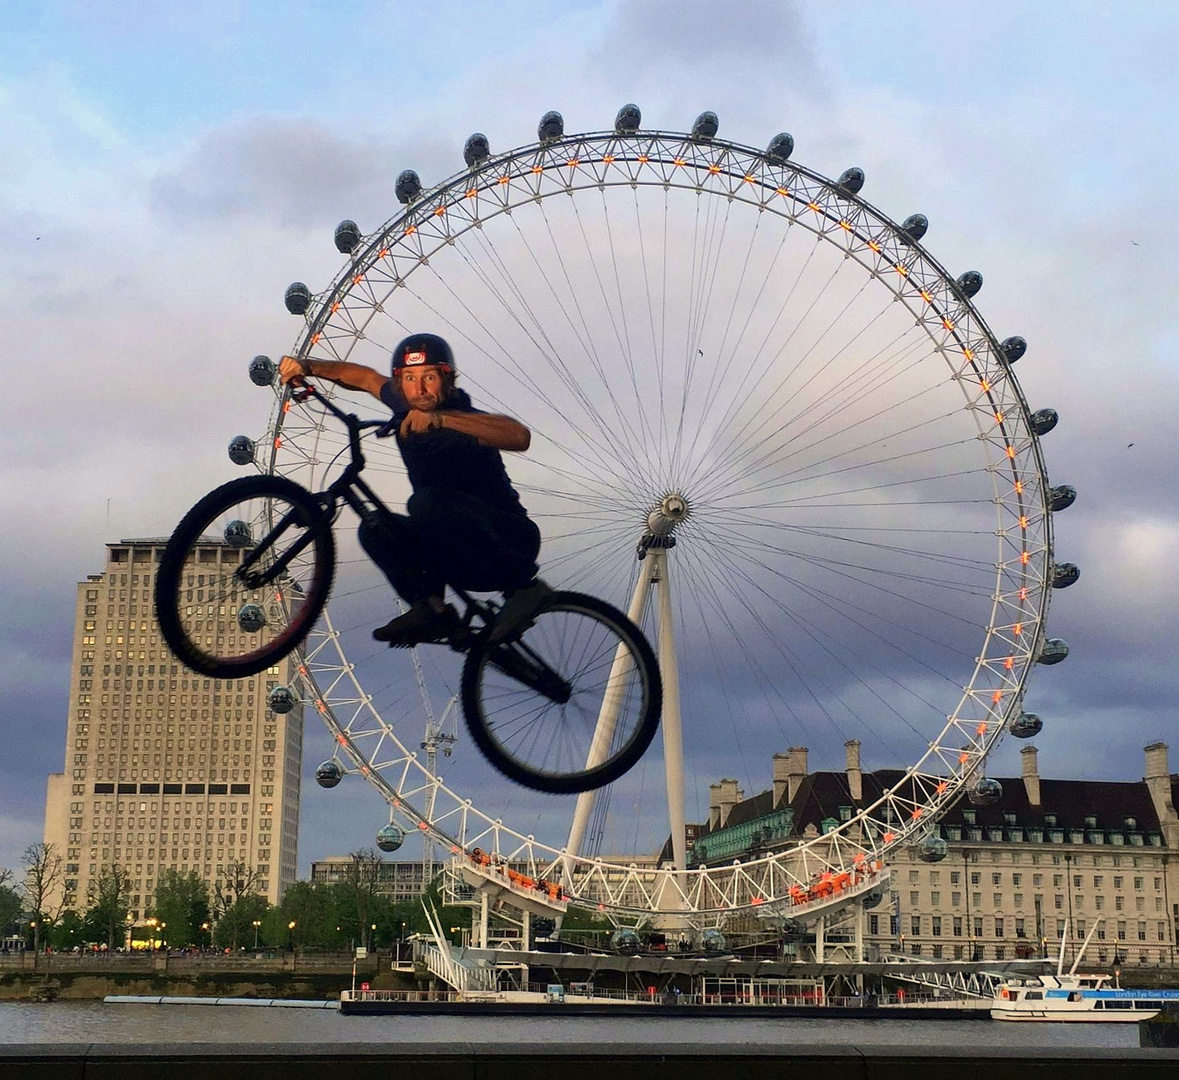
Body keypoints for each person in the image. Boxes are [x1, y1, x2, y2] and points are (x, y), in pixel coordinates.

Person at [278, 333, 550, 647]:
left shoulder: (464, 416)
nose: (419, 389)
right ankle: (431, 609)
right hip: (457, 556)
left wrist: (441, 419)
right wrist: (307, 366)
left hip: (508, 543)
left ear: (447, 380)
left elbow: (519, 436)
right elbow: (364, 378)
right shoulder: (405, 404)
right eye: (410, 378)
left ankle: (526, 590)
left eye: (429, 377)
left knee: (425, 503)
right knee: (375, 526)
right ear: (400, 383)